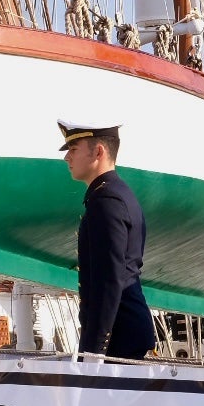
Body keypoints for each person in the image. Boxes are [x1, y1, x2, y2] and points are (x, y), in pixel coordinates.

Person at [60, 121, 154, 360]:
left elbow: (109, 280)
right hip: (122, 332)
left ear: (98, 152)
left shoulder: (106, 202)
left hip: (118, 338)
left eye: (74, 149)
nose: (67, 157)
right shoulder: (116, 193)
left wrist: (94, 351)